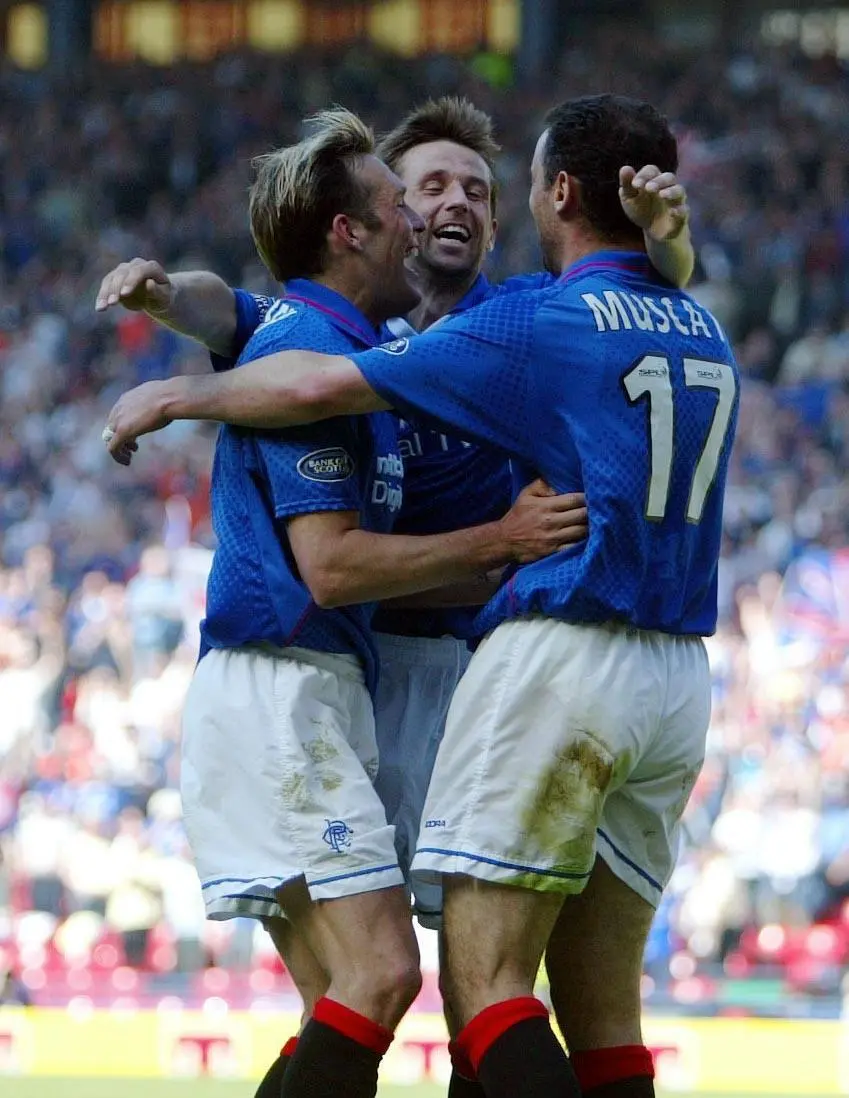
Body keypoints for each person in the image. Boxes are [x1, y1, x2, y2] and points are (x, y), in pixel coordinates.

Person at [103, 93, 739, 1098]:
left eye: (480, 189)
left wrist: (669, 242)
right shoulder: (332, 327)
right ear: (381, 217)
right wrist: (165, 308)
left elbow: (615, 293)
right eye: (426, 184)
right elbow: (236, 311)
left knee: (463, 977)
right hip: (356, 662)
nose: (451, 202)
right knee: (407, 979)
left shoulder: (509, 318)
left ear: (516, 212)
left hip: (462, 668)